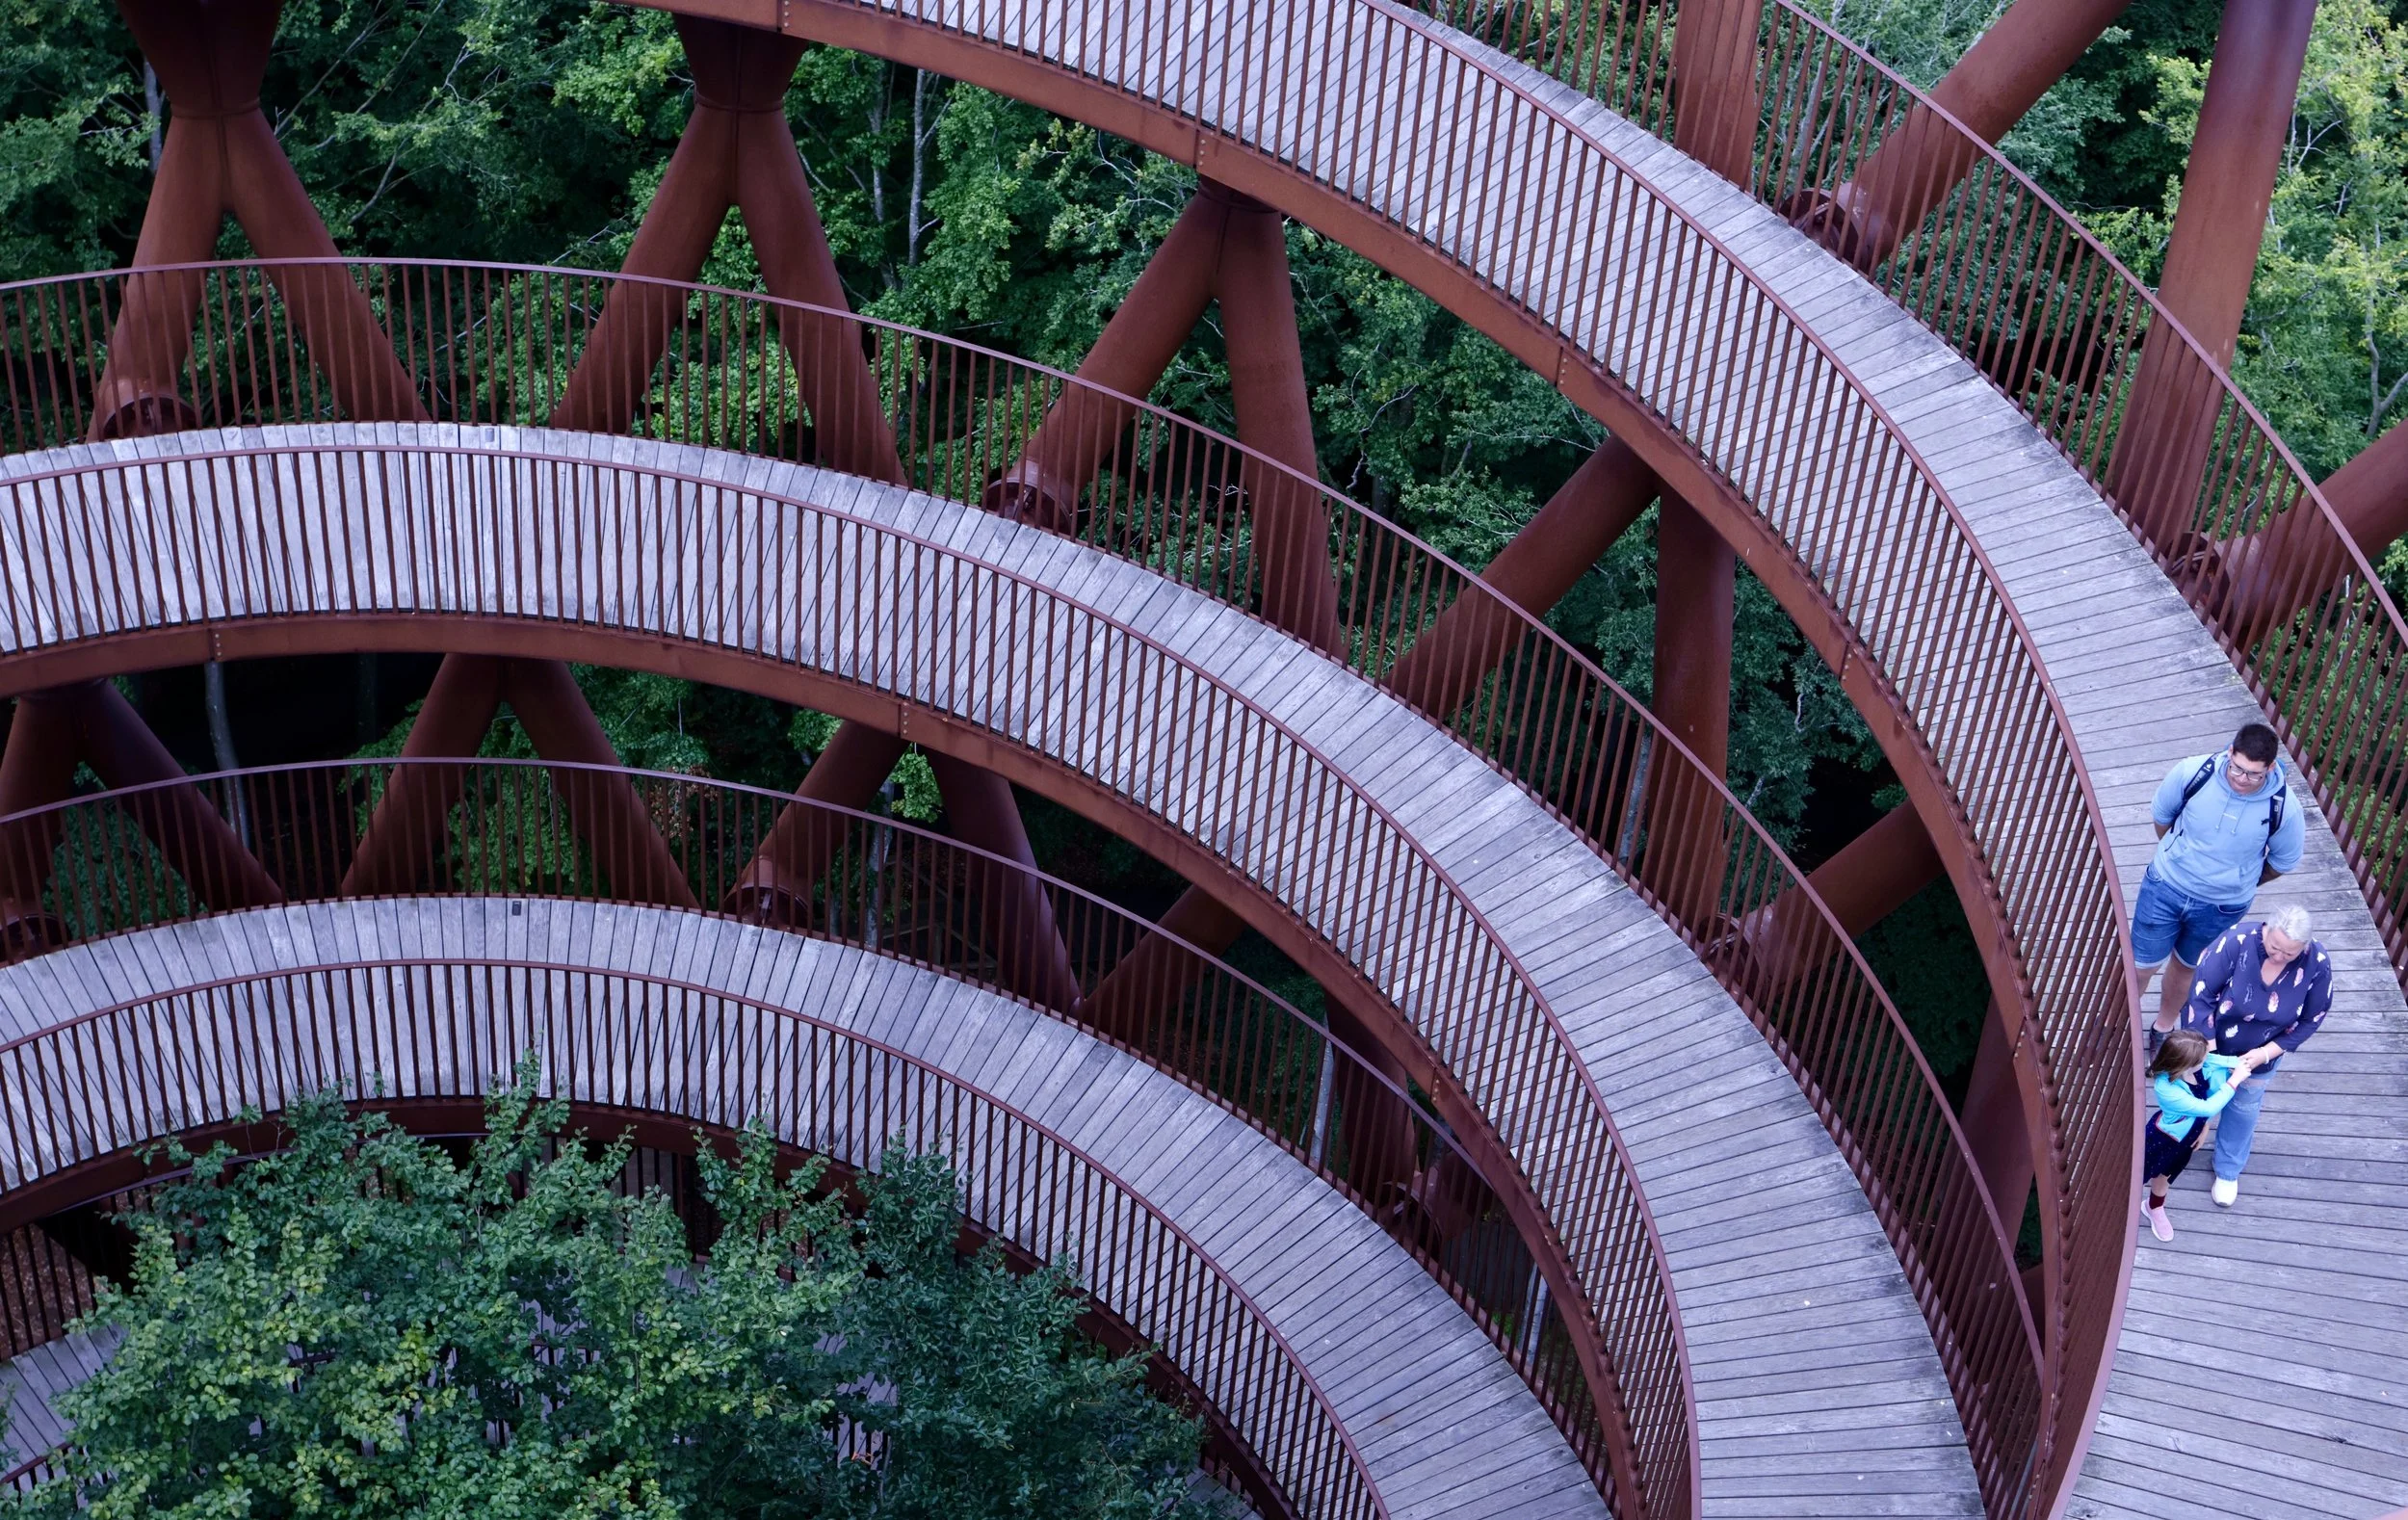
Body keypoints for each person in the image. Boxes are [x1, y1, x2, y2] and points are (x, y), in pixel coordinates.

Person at [2136, 722, 2304, 1052]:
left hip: (2221, 906)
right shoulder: (2192, 772)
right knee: (2139, 964)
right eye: (2237, 768)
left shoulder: (2284, 808)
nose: (2242, 779)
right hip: (2165, 887)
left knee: (2187, 967)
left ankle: (2162, 1028)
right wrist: (2179, 856)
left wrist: (2240, 879)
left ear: (2270, 768)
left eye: (2253, 774)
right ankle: (2113, 1024)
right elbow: (2162, 817)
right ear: (2230, 752)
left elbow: (2283, 862)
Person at [2178, 901, 2331, 1206]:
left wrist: (2266, 1053)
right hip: (2212, 1042)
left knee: (2244, 1108)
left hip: (2261, 1054)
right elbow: (2201, 993)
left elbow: (2313, 1017)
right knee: (2192, 1095)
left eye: (2290, 953)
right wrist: (2209, 1050)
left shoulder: (2317, 962)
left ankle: (2228, 1170)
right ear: (2267, 929)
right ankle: (2175, 1144)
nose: (2280, 956)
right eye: (2275, 947)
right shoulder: (2237, 941)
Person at [2140, 1029, 2248, 1241]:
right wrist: (2233, 1081)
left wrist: (2240, 1062)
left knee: (2166, 1176)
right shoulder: (2167, 1089)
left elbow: (2220, 1060)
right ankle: (2122, 1206)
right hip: (2164, 1140)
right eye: (2203, 1058)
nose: (2208, 1059)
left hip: (2187, 1140)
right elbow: (2206, 1107)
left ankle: (2154, 1208)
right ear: (2183, 1064)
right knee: (2138, 1176)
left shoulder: (2195, 1064)